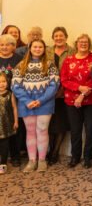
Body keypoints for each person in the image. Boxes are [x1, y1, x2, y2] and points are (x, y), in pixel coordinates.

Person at [11, 39, 60, 173]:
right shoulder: (21, 65)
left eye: (40, 47)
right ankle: (32, 160)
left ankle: (42, 160)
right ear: (30, 48)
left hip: (45, 103)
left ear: (44, 49)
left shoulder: (50, 65)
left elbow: (54, 85)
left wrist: (41, 100)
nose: (37, 49)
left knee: (42, 130)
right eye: (35, 47)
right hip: (26, 104)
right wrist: (27, 101)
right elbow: (15, 85)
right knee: (30, 131)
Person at [60, 34, 92, 169]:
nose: (83, 44)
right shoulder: (68, 60)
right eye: (80, 42)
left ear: (89, 44)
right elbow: (64, 80)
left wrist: (82, 93)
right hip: (71, 101)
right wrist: (79, 88)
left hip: (90, 100)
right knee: (75, 131)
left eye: (86, 42)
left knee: (90, 130)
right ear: (76, 44)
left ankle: (88, 157)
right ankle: (75, 157)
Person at [46, 27, 74, 165]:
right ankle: (50, 150)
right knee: (49, 124)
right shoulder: (47, 51)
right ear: (53, 38)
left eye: (61, 35)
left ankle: (55, 153)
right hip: (48, 93)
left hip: (65, 93)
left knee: (61, 123)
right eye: (56, 36)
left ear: (66, 37)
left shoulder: (72, 51)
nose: (58, 38)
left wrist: (63, 88)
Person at [0, 34, 23, 167]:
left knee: (15, 127)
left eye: (8, 44)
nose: (4, 47)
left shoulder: (18, 59)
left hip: (15, 97)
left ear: (13, 46)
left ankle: (15, 156)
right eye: (2, 44)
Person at [0, 72, 18, 174]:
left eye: (3, 81)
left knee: (4, 145)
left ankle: (3, 165)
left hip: (6, 124)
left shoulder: (10, 94)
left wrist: (15, 121)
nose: (1, 84)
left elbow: (15, 108)